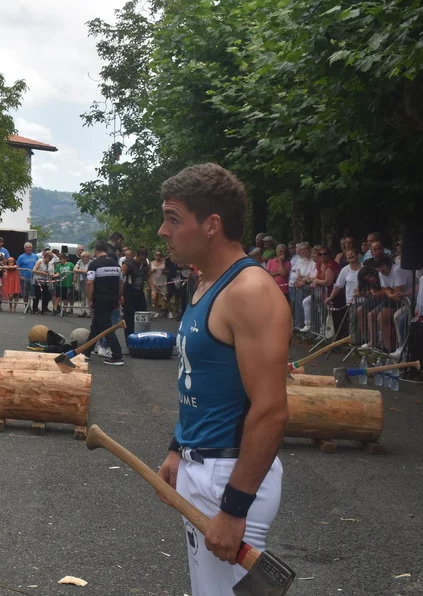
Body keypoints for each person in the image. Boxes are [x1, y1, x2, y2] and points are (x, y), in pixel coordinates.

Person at [155, 163, 289, 596]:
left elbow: (270, 410)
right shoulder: (205, 284)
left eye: (173, 219)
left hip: (229, 474)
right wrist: (177, 448)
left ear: (212, 224)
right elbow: (199, 383)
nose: (162, 230)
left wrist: (234, 508)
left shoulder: (249, 291)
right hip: (202, 464)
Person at [83, 240, 123, 365]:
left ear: (95, 250)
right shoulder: (116, 264)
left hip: (100, 299)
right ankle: (86, 352)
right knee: (96, 326)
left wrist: (89, 299)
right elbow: (121, 283)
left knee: (107, 328)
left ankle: (117, 356)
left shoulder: (94, 264)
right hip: (112, 299)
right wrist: (119, 298)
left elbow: (90, 283)